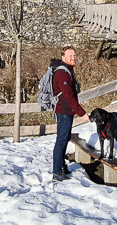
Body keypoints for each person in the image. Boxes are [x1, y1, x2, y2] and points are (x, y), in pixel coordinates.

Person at [51, 45, 89, 182]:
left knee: (64, 139)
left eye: (74, 55)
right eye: (70, 56)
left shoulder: (67, 71)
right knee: (61, 142)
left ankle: (61, 167)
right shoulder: (63, 74)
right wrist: (82, 113)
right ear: (63, 57)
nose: (73, 58)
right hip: (63, 112)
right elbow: (69, 97)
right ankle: (56, 172)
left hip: (66, 111)